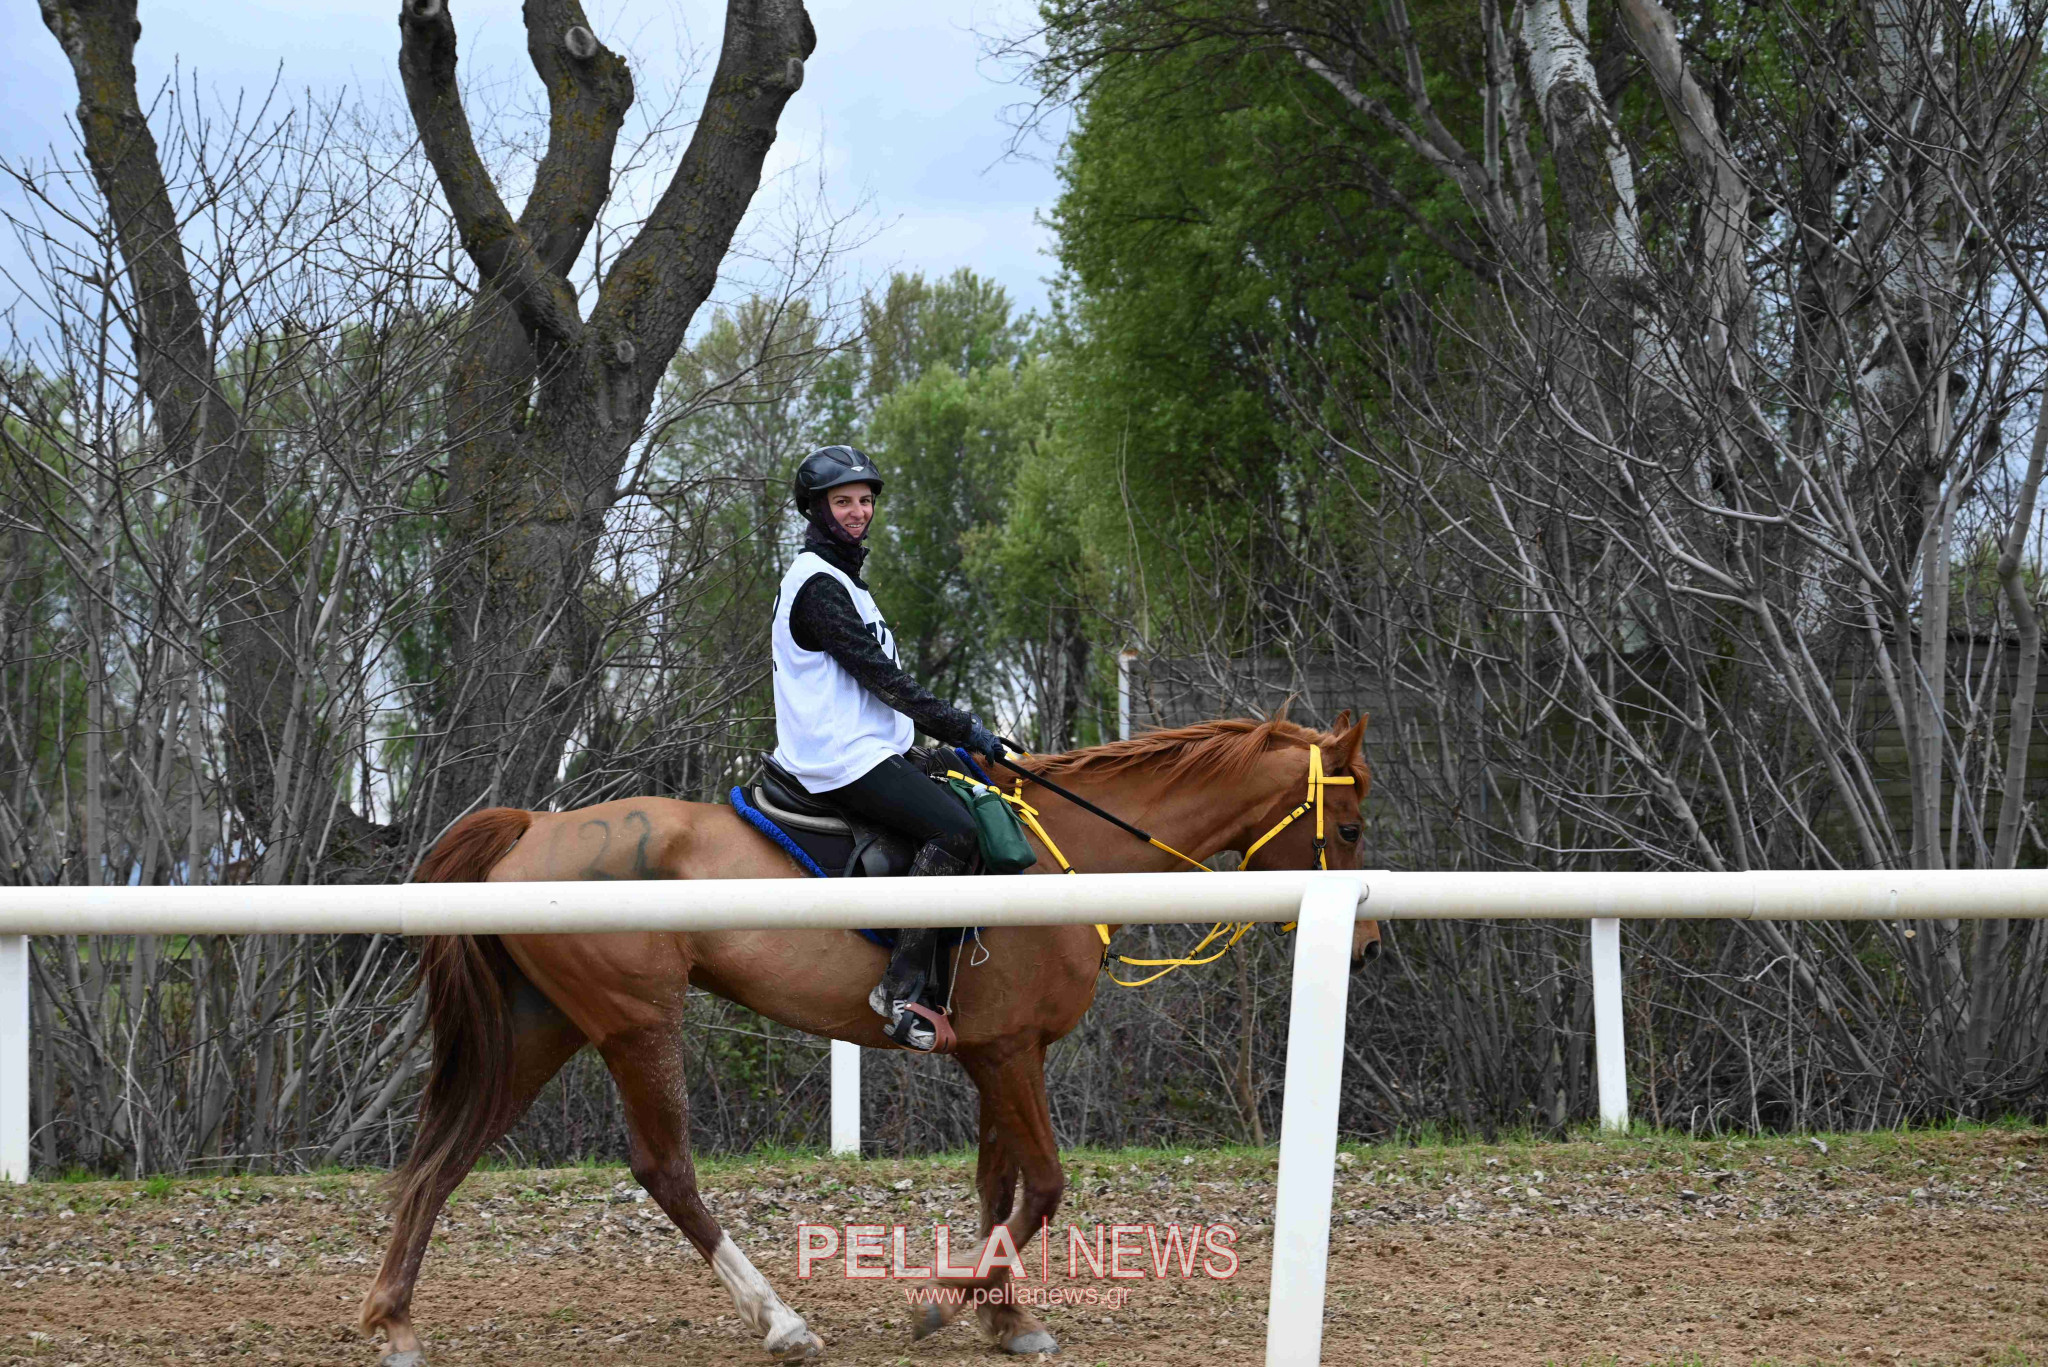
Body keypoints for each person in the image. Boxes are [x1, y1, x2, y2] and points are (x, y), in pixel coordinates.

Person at [770, 445, 1012, 1051]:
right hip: (839, 759)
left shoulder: (849, 583)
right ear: (817, 509)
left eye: (865, 501)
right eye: (843, 502)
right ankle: (900, 989)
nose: (857, 512)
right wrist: (966, 730)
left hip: (872, 749)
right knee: (955, 833)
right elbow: (887, 680)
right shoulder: (817, 587)